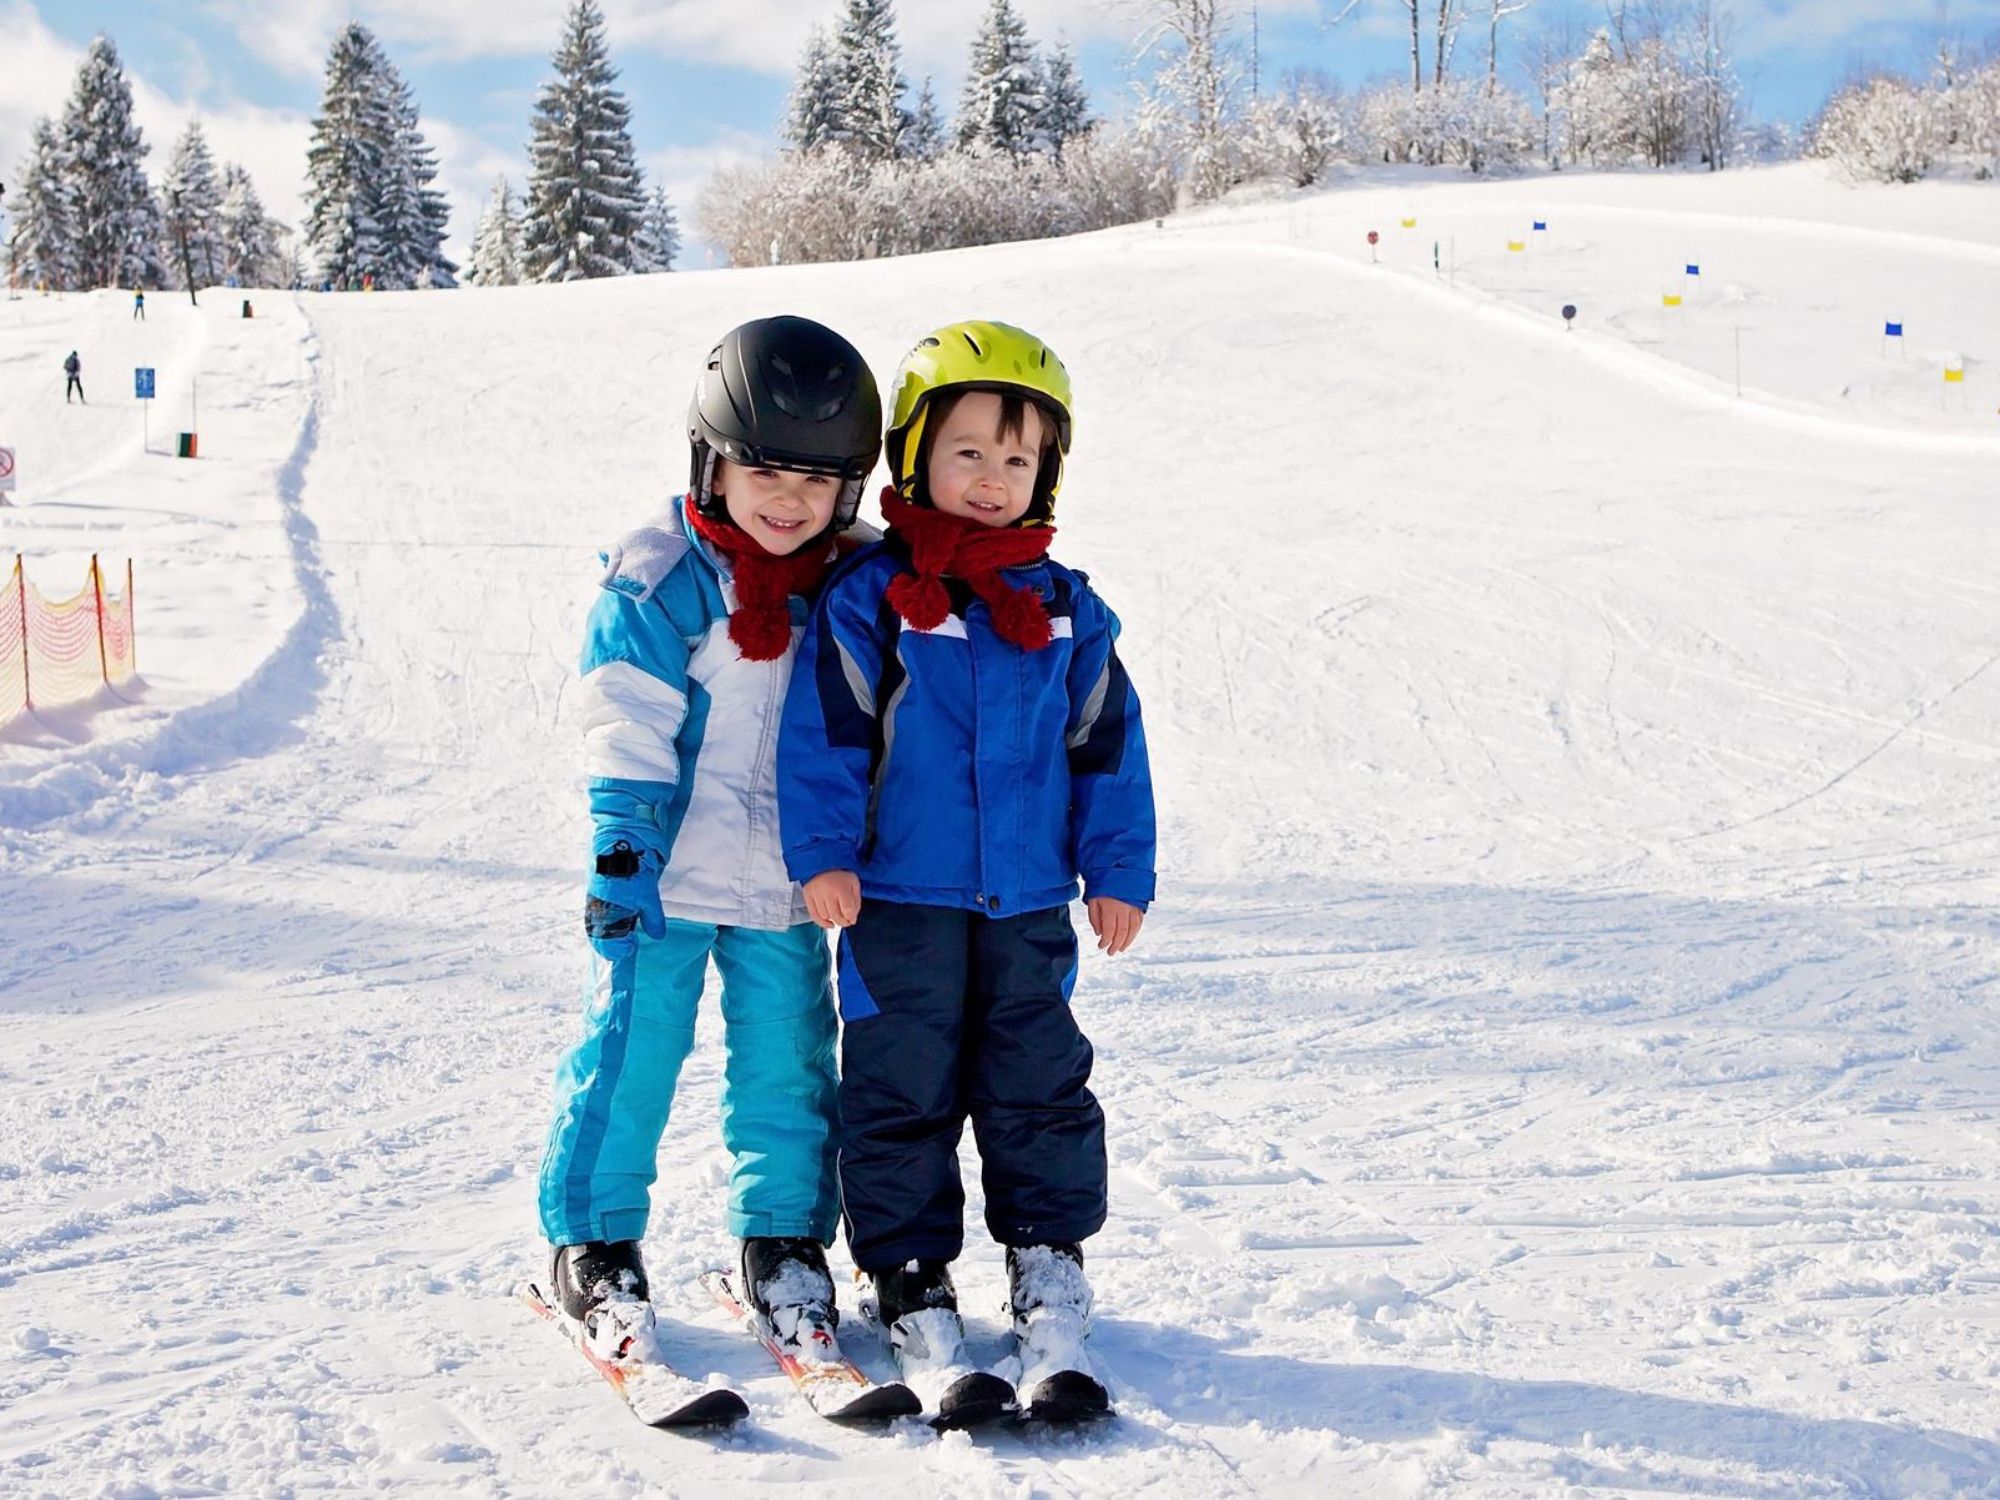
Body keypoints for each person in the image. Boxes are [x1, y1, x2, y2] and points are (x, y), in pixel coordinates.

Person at [778, 320, 1156, 1417]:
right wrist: (822, 855)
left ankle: (1049, 1269)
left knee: (1037, 1082)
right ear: (914, 458)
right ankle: (907, 1275)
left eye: (1017, 458)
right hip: (899, 899)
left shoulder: (1066, 608)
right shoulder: (875, 602)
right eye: (968, 452)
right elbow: (827, 738)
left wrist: (1116, 868)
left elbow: (1106, 749)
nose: (992, 479)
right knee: (898, 1087)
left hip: (1028, 903)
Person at [537, 315, 882, 1364]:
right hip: (668, 880)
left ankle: (781, 1240)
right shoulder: (662, 579)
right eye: (762, 469)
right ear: (710, 460)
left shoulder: (850, 581)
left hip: (786, 884)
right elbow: (625, 720)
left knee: (788, 1067)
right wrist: (621, 854)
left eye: (815, 480)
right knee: (633, 1056)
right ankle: (592, 1243)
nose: (787, 499)